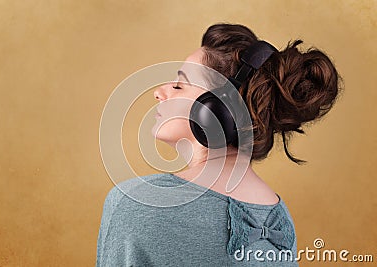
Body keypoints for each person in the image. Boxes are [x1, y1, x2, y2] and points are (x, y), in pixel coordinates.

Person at [96, 23, 341, 266]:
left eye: (180, 85)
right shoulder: (279, 220)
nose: (159, 92)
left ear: (218, 109)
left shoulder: (135, 203)